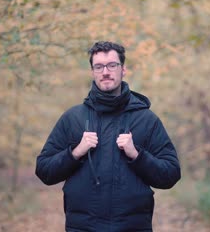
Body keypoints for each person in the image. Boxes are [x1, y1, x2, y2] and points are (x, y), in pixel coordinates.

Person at [35, 41, 181, 232]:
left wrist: (137, 155)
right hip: (83, 227)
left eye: (112, 65)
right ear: (92, 72)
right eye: (99, 66)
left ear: (123, 69)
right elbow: (44, 170)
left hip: (133, 227)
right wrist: (76, 152)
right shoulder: (73, 118)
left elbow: (170, 174)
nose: (105, 71)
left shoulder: (147, 119)